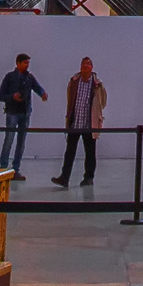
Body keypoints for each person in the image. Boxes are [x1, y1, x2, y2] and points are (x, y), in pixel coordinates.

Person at [52, 54, 107, 187]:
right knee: (69, 151)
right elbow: (70, 99)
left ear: (91, 67)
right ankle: (64, 178)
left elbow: (103, 101)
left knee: (90, 153)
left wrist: (97, 115)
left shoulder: (97, 85)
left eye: (88, 64)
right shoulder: (74, 81)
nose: (85, 67)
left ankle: (88, 178)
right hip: (75, 122)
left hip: (90, 124)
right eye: (83, 64)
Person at [0, 53, 44, 178]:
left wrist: (43, 93)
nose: (27, 65)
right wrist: (12, 97)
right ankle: (3, 168)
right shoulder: (10, 77)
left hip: (25, 113)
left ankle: (15, 169)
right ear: (18, 63)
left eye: (28, 63)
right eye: (25, 63)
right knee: (9, 139)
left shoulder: (29, 78)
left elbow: (37, 88)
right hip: (12, 112)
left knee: (21, 142)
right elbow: (0, 96)